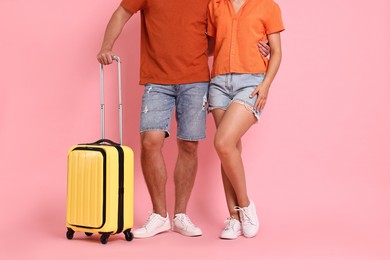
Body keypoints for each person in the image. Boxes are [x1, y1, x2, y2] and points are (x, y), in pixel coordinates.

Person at [97, 0, 270, 239]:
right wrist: (107, 45)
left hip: (196, 79)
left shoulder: (211, 1)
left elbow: (221, 35)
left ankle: (180, 216)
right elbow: (121, 13)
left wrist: (261, 44)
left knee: (189, 144)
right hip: (157, 79)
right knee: (150, 141)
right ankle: (160, 215)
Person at [206, 0, 284, 239]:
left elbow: (277, 51)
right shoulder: (215, 5)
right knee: (228, 149)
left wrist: (266, 85)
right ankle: (233, 217)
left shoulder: (267, 5)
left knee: (223, 142)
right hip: (219, 83)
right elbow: (210, 47)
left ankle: (246, 205)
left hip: (251, 82)